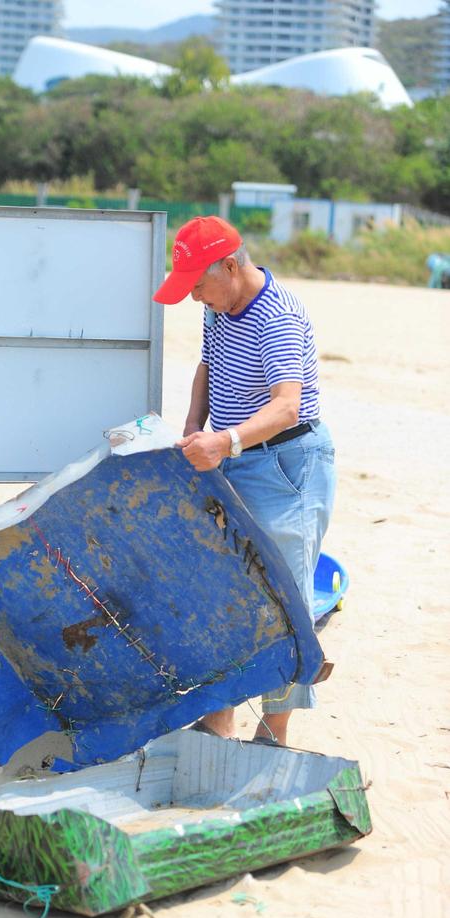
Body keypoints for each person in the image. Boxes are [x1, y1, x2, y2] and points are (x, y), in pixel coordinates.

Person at [153, 215, 336, 746]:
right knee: (224, 589)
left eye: (198, 286)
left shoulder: (276, 316)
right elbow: (208, 367)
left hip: (287, 467)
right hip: (233, 457)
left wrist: (225, 441)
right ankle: (218, 722)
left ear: (231, 266)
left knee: (285, 600)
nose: (194, 299)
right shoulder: (221, 305)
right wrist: (193, 424)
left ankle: (273, 734)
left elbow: (285, 408)